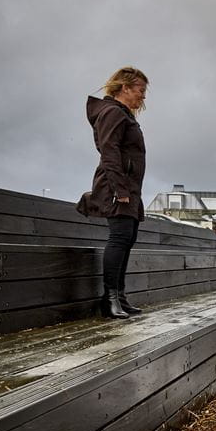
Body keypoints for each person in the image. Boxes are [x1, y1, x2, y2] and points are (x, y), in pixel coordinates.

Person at [83, 66, 149, 318]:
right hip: (116, 187)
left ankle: (119, 297)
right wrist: (120, 189)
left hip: (129, 187)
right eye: (140, 90)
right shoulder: (112, 112)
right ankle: (109, 299)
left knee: (128, 238)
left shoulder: (124, 114)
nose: (143, 96)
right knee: (120, 238)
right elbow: (108, 151)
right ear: (125, 87)